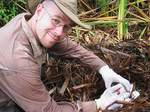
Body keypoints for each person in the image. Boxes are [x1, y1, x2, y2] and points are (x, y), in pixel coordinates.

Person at [0, 0, 133, 112]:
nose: (59, 32)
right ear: (39, 11)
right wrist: (99, 104)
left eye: (66, 27)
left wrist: (105, 70)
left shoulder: (27, 21)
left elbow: (74, 49)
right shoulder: (18, 60)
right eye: (55, 21)